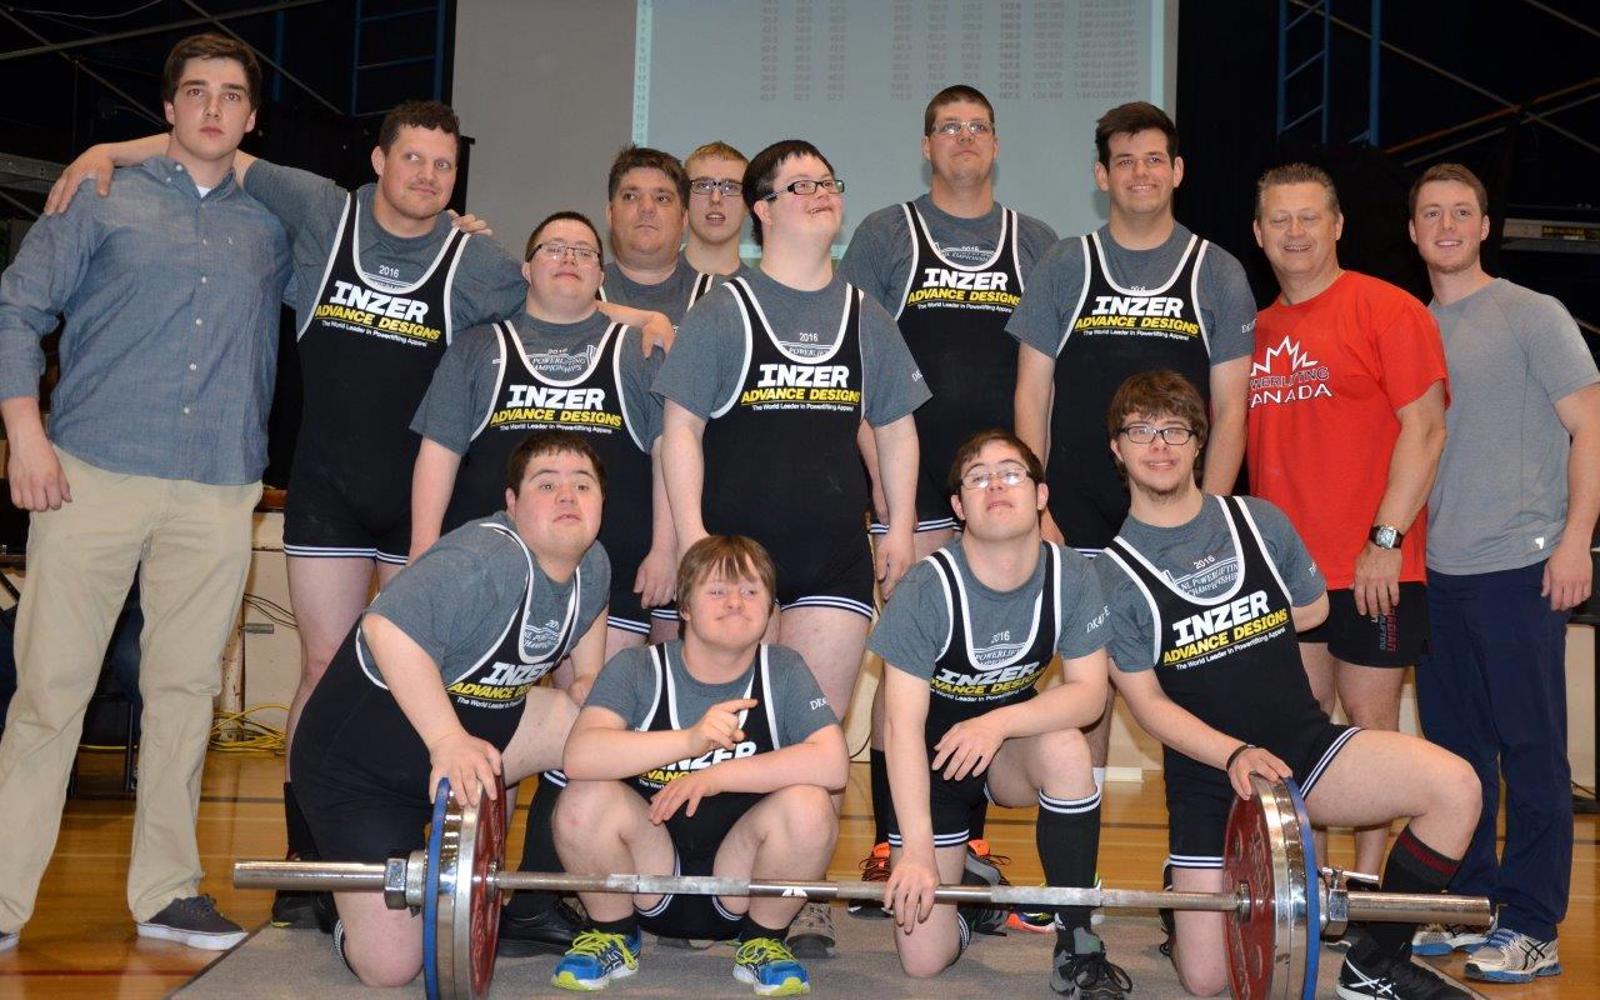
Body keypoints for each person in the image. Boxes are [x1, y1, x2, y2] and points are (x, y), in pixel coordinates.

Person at [46, 98, 537, 925]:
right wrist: (108, 147)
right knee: (321, 669)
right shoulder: (324, 210)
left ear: (457, 179)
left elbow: (560, 303)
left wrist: (637, 318)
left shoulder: (475, 262)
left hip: (421, 502)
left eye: (443, 166)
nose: (426, 176)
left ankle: (421, 848)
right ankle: (309, 861)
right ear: (378, 162)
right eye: (412, 159)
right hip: (329, 493)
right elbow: (222, 151)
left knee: (427, 678)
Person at [0, 34, 289, 952]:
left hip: (216, 489)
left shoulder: (272, 225)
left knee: (182, 693)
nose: (211, 107)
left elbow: (383, 242)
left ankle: (165, 894)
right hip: (89, 473)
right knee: (50, 693)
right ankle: (2, 901)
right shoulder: (100, 195)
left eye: (230, 95)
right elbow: (17, 308)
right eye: (195, 92)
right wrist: (23, 437)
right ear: (168, 109)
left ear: (249, 119)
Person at [1095, 370, 1480, 1000]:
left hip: (1302, 748)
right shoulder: (1109, 575)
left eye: (1174, 429)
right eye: (1141, 431)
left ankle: (1373, 963)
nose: (1158, 445)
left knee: (1457, 787)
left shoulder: (1259, 523)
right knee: (1206, 981)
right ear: (1117, 447)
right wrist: (1232, 752)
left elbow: (1314, 614)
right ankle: (1184, 891)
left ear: (1200, 442)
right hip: (1208, 778)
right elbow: (1145, 703)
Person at [655, 139, 929, 955]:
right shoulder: (725, 310)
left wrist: (903, 527)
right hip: (742, 563)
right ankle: (703, 887)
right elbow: (681, 431)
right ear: (763, 210)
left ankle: (791, 901)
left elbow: (896, 427)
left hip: (834, 561)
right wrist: (696, 539)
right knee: (733, 731)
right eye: (800, 185)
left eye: (828, 181)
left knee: (810, 739)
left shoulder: (862, 314)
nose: (820, 194)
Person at [408, 211, 674, 952]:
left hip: (602, 578)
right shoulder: (480, 349)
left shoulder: (636, 350)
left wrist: (663, 546)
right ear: (525, 270)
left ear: (601, 275)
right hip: (492, 588)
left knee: (592, 724)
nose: (569, 259)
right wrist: (424, 557)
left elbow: (665, 455)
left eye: (585, 252)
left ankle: (535, 888)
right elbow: (437, 455)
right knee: (498, 725)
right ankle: (469, 877)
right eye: (552, 247)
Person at [839, 88, 1059, 896]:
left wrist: (1039, 493)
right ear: (926, 146)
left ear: (995, 145)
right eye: (948, 129)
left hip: (999, 493)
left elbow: (1047, 381)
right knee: (910, 665)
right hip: (912, 496)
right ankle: (897, 845)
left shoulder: (1035, 241)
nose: (964, 140)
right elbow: (854, 359)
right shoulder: (885, 234)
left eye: (977, 128)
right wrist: (884, 502)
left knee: (983, 673)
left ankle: (964, 843)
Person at [290, 430, 610, 986]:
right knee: (391, 969)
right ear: (511, 504)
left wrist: (586, 676)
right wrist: (446, 741)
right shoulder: (483, 560)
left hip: (475, 735)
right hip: (362, 768)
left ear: (602, 501)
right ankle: (333, 899)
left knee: (600, 738)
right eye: (547, 484)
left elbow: (588, 612)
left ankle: (530, 900)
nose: (567, 497)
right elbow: (384, 629)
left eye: (582, 485)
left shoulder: (594, 562)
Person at [1008, 101, 1256, 798]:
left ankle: (1200, 880)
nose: (1140, 173)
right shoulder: (1065, 263)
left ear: (1177, 171)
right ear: (1101, 175)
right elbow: (1032, 397)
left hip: (1182, 527)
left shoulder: (1217, 271)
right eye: (1125, 161)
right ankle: (1076, 897)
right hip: (1079, 521)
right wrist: (1036, 507)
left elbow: (1232, 408)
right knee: (1088, 702)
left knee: (1197, 693)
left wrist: (1218, 517)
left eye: (1154, 159)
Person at [1405, 163, 1599, 982]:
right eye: (1430, 214)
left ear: (1484, 226)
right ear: (1411, 231)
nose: (1447, 225)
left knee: (1532, 752)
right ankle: (1471, 902)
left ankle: (1533, 923)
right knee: (1458, 756)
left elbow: (1591, 426)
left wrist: (1575, 538)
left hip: (1521, 567)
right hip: (1437, 574)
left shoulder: (1531, 312)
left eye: (1462, 212)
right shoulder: (1406, 325)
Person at [873, 430, 1128, 998]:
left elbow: (1089, 696)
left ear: (1040, 495)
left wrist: (996, 723)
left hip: (1004, 754)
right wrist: (915, 850)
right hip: (932, 766)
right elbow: (901, 728)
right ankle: (974, 894)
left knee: (1066, 746)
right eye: (978, 477)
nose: (996, 484)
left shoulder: (1072, 575)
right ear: (960, 508)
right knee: (922, 960)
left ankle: (1077, 937)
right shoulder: (927, 587)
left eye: (1011, 472)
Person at [1246, 163, 1449, 877]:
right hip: (1284, 581)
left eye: (1309, 217)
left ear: (1337, 226)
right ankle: (1309, 886)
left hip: (1372, 570)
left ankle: (1364, 892)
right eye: (1280, 219)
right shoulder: (1254, 331)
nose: (1295, 232)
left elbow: (1425, 431)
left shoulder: (1389, 310)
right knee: (1298, 739)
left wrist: (1385, 541)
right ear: (1258, 233)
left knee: (1372, 737)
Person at [551, 535, 847, 995]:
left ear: (770, 607)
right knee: (582, 796)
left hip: (743, 881)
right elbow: (579, 756)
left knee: (812, 803)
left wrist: (715, 776)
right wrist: (689, 741)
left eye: (750, 591)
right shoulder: (637, 667)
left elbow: (833, 764)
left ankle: (763, 941)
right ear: (684, 607)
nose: (735, 602)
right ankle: (613, 933)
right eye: (717, 591)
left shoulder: (783, 669)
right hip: (651, 872)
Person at [684, 141, 750, 277]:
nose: (715, 198)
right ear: (683, 197)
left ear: (748, 203)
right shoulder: (650, 280)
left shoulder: (759, 293)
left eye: (731, 187)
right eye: (703, 185)